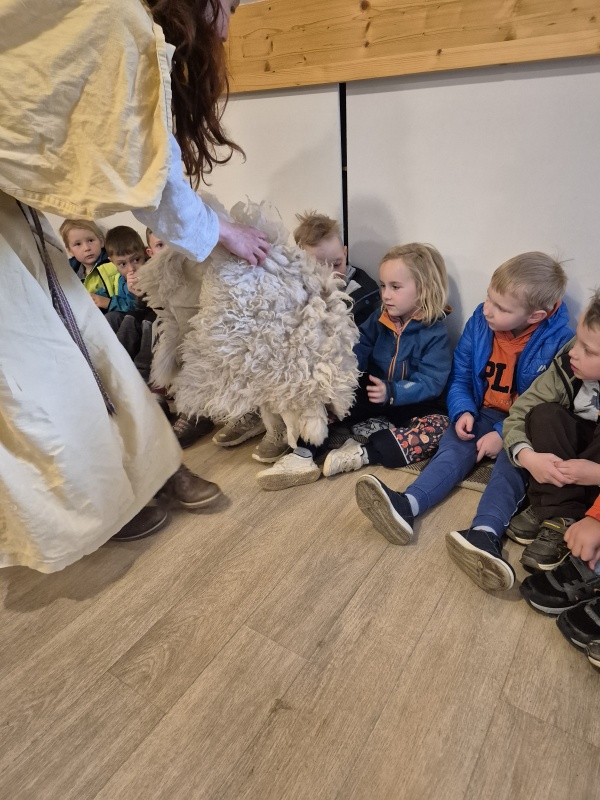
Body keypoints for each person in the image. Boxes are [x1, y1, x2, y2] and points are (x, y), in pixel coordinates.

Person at [0, 0, 268, 571]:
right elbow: (150, 171)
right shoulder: (113, 17)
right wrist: (223, 231)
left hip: (9, 209)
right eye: (229, 6)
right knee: (31, 370)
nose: (227, 27)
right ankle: (95, 503)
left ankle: (151, 467)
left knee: (82, 336)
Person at [355, 252, 573, 593]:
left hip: (523, 423)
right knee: (454, 446)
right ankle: (408, 504)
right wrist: (463, 411)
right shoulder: (480, 321)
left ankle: (485, 535)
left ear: (535, 316)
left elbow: (543, 403)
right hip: (482, 409)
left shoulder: (559, 341)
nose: (488, 310)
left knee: (511, 467)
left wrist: (503, 435)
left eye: (501, 308)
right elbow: (459, 377)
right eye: (489, 298)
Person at [255, 243, 452, 490]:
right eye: (383, 285)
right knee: (328, 399)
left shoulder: (435, 333)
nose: (386, 294)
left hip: (413, 401)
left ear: (423, 290)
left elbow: (432, 381)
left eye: (395, 287)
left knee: (441, 428)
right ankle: (303, 455)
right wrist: (339, 375)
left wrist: (394, 392)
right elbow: (358, 347)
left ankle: (362, 453)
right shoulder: (380, 318)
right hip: (374, 390)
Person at [500, 292, 600, 658]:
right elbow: (521, 411)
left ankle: (570, 518)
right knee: (544, 415)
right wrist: (528, 458)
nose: (575, 352)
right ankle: (560, 516)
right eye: (578, 341)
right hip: (574, 470)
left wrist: (597, 475)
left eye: (589, 350)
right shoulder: (569, 360)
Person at [59, 219, 120, 310]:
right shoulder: (69, 273)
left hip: (113, 313)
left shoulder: (114, 264)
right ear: (70, 251)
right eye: (78, 244)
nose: (86, 248)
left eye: (90, 240)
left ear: (101, 242)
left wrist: (109, 303)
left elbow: (128, 300)